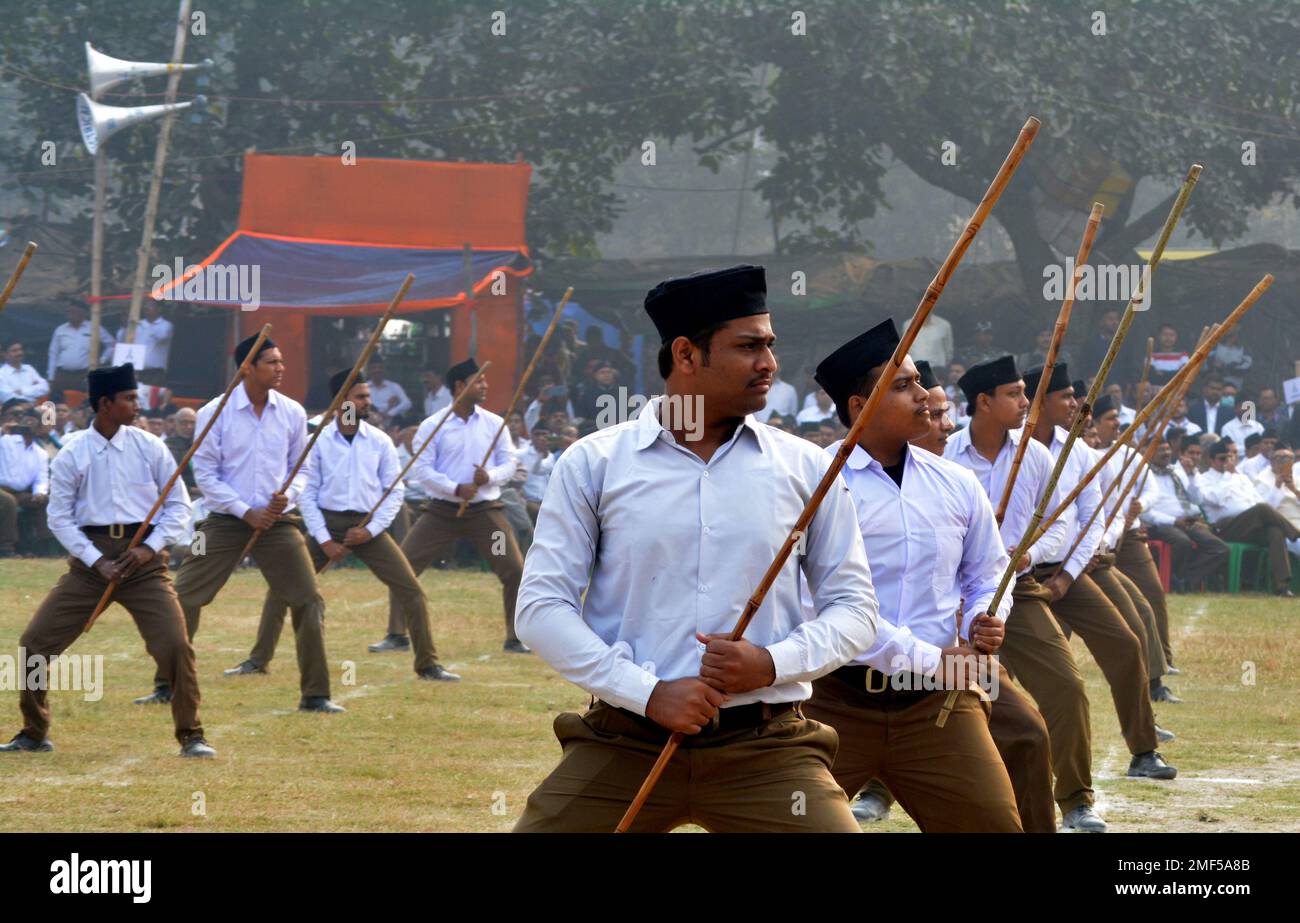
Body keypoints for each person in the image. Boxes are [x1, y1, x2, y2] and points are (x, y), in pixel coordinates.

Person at [512, 265, 876, 832]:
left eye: (770, 345)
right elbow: (540, 609)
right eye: (749, 346)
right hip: (624, 741)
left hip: (769, 749)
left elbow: (856, 609)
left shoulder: (809, 468)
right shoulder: (594, 463)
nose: (769, 364)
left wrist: (770, 663)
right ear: (686, 354)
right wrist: (648, 693)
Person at [801, 319, 1022, 832]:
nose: (926, 397)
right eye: (904, 386)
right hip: (834, 701)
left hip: (937, 709)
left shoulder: (956, 482)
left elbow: (987, 571)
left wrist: (987, 614)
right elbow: (826, 606)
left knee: (994, 823)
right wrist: (931, 658)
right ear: (859, 407)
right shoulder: (815, 483)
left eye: (918, 381)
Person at [0, 363, 212, 757]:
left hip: (144, 565)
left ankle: (192, 735)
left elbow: (178, 507)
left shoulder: (150, 446)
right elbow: (59, 518)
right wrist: (97, 561)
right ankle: (33, 731)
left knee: (175, 646)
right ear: (104, 403)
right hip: (89, 567)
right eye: (129, 398)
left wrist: (149, 548)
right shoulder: (72, 453)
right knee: (34, 643)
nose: (137, 404)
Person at [947, 356, 1105, 832]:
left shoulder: (1034, 456)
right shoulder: (945, 457)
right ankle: (882, 789)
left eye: (1026, 391)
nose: (1025, 402)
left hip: (1019, 587)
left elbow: (1060, 523)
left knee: (1067, 688)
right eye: (1015, 394)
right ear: (984, 402)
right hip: (957, 596)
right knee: (945, 694)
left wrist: (1029, 555)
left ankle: (1076, 798)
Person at [147, 334, 343, 712]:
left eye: (281, 361)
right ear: (247, 368)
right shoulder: (213, 413)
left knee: (308, 599)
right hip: (225, 521)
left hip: (278, 522)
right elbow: (206, 475)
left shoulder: (291, 412)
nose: (280, 368)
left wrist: (289, 495)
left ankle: (316, 694)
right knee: (185, 596)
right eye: (271, 362)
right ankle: (166, 684)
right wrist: (244, 510)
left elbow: (300, 467)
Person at [229, 371, 457, 682]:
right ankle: (257, 660)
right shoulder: (316, 442)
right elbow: (306, 494)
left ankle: (428, 663)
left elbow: (394, 491)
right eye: (360, 397)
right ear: (340, 402)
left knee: (412, 591)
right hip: (327, 523)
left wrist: (371, 530)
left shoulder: (379, 441)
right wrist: (324, 540)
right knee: (281, 590)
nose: (367, 402)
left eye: (367, 397)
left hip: (368, 527)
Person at [1022, 364, 1177, 782]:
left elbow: (1091, 518)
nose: (1075, 405)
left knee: (1126, 644)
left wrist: (1065, 580)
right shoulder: (1009, 448)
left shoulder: (1078, 453)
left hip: (1068, 572)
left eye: (1076, 396)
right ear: (1040, 401)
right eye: (1066, 397)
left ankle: (1144, 751)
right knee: (1001, 668)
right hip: (1013, 578)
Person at [381, 357, 527, 654]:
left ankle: (515, 637)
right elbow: (422, 470)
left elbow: (510, 462)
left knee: (513, 569)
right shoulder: (433, 426)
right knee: (403, 566)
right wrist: (455, 488)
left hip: (486, 513)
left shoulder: (495, 424)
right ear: (460, 386)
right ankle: (396, 633)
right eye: (479, 381)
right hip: (441, 512)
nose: (485, 386)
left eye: (485, 381)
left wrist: (489, 477)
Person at [1085, 395, 1179, 708]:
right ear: (1093, 422)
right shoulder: (1080, 457)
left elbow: (1149, 489)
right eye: (1109, 418)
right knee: (1059, 622)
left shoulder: (1127, 453)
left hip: (1127, 538)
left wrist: (1140, 507)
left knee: (1148, 599)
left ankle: (1157, 671)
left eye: (1117, 419)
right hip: (1084, 550)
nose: (1116, 425)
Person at [1196, 439, 1300, 596]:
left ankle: (1282, 586)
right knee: (1261, 510)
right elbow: (1217, 499)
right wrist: (1228, 476)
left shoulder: (1241, 477)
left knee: (1275, 531)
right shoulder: (1204, 479)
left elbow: (1260, 502)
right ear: (1211, 460)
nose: (1227, 462)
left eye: (1230, 458)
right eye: (1222, 459)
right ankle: (1295, 533)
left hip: (1251, 524)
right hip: (1224, 528)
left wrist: (1233, 475)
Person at [1141, 435, 1229, 592]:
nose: (1166, 453)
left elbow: (1196, 499)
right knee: (1183, 542)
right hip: (1161, 524)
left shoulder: (1175, 472)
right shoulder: (1143, 475)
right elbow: (1145, 512)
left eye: (1168, 449)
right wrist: (1173, 521)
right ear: (1148, 452)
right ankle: (1176, 580)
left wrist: (1193, 473)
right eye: (1161, 449)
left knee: (1219, 547)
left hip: (1185, 521)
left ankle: (1184, 579)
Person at [0, 409, 51, 557]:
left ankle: (42, 546)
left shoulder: (40, 453)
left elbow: (41, 478)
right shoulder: (5, 441)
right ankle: (6, 548)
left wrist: (39, 493)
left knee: (45, 501)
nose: (28, 424)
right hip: (2, 489)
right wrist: (3, 430)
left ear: (39, 428)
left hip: (20, 492)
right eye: (25, 420)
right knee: (8, 501)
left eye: (32, 421)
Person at [46, 299, 114, 395]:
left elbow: (111, 345)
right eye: (69, 312)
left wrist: (102, 360)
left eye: (74, 312)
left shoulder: (94, 327)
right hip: (62, 375)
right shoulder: (60, 330)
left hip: (83, 374)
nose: (71, 314)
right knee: (60, 403)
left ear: (83, 313)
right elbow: (53, 354)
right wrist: (51, 377)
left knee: (81, 402)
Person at [1253, 444, 1300, 556]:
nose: (1286, 462)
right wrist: (1277, 486)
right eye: (1281, 458)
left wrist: (1294, 490)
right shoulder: (1262, 480)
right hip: (1284, 530)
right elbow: (1263, 510)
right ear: (1271, 461)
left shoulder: (1297, 479)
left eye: (1289, 458)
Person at [114, 302, 173, 386]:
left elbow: (162, 336)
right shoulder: (137, 324)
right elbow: (121, 339)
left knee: (152, 397)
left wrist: (145, 326)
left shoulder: (166, 325)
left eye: (150, 305)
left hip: (155, 372)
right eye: (145, 305)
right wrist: (125, 327)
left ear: (159, 309)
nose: (147, 307)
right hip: (136, 370)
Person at [365, 356, 412, 422]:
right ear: (369, 370)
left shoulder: (394, 387)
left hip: (391, 424)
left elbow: (407, 403)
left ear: (384, 369)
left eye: (380, 367)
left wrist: (390, 413)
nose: (377, 370)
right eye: (374, 367)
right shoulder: (364, 388)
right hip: (370, 423)